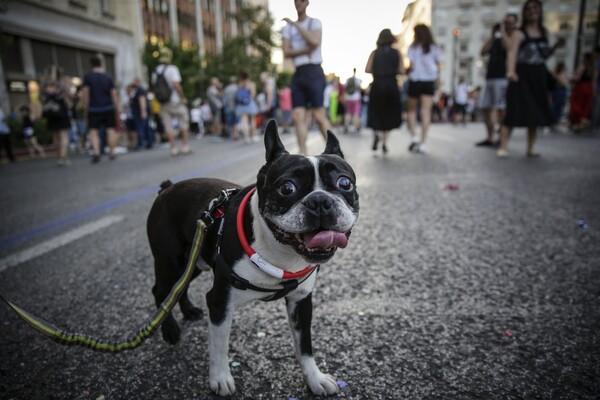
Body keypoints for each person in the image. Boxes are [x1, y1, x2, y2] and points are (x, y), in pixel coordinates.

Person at [497, 0, 565, 158]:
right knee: (513, 111)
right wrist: (511, 71)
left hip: (538, 74)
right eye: (529, 9)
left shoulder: (544, 33)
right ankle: (504, 146)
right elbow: (512, 53)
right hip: (522, 74)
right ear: (524, 13)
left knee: (535, 112)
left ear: (540, 11)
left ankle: (530, 147)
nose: (532, 11)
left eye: (535, 8)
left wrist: (556, 46)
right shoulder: (519, 33)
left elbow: (544, 55)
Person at [282, 0, 330, 155]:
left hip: (314, 71)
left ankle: (335, 151)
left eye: (301, 1)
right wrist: (307, 50)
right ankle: (303, 154)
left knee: (319, 115)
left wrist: (296, 25)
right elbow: (286, 52)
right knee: (298, 115)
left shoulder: (314, 23)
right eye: (296, 1)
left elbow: (314, 41)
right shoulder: (286, 29)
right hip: (299, 72)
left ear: (307, 3)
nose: (298, 4)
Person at [477, 13, 517, 147]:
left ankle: (502, 138)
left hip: (503, 77)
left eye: (509, 23)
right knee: (485, 108)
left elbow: (510, 48)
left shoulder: (514, 37)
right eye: (504, 23)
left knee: (501, 109)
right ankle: (490, 137)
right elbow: (483, 51)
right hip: (490, 77)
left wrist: (503, 32)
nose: (505, 25)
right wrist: (494, 34)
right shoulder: (496, 39)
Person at [365, 28, 404, 154]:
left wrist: (379, 70)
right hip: (392, 85)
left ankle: (376, 134)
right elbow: (401, 70)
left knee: (375, 112)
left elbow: (367, 69)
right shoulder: (396, 53)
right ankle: (385, 142)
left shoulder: (374, 53)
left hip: (377, 84)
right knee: (388, 114)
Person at [406, 24, 442, 154]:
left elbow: (411, 65)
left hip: (415, 81)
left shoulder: (413, 47)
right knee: (426, 112)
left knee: (411, 110)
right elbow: (438, 66)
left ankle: (414, 137)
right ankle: (422, 143)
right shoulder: (434, 48)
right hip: (428, 82)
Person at [152, 47, 191, 155]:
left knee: (168, 125)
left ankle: (173, 148)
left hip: (163, 102)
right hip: (175, 101)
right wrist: (182, 97)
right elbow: (176, 85)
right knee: (183, 122)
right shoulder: (172, 69)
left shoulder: (156, 71)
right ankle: (185, 146)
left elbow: (154, 87)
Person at [81, 56, 120, 163]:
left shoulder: (88, 76)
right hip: (108, 107)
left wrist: (85, 106)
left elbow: (86, 92)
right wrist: (117, 107)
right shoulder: (108, 76)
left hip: (94, 108)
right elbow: (113, 93)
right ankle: (112, 151)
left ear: (91, 65)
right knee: (110, 130)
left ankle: (97, 152)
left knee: (94, 132)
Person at [42, 81, 71, 165]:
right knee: (63, 137)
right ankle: (63, 157)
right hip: (62, 117)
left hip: (51, 118)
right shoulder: (61, 96)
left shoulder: (45, 96)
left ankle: (59, 156)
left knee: (56, 137)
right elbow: (69, 105)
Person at [569, 52, 594, 133]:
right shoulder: (592, 67)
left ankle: (578, 124)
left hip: (581, 87)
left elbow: (577, 78)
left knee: (577, 104)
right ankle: (583, 121)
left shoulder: (582, 66)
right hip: (589, 87)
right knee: (585, 106)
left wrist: (572, 78)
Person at [235, 70, 259, 143]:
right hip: (250, 103)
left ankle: (246, 137)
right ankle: (253, 136)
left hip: (241, 104)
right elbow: (253, 94)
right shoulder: (251, 84)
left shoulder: (240, 84)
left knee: (244, 121)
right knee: (252, 120)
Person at [131, 78, 152, 148]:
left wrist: (143, 112)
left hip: (140, 113)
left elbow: (142, 101)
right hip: (140, 112)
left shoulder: (140, 90)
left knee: (141, 128)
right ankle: (148, 142)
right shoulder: (139, 90)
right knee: (145, 127)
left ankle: (142, 143)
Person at [550, 61, 569, 131]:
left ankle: (553, 120)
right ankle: (554, 120)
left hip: (558, 91)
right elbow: (564, 83)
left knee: (556, 106)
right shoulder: (561, 74)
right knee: (557, 106)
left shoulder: (557, 74)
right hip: (560, 91)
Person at [343, 68, 362, 133]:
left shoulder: (348, 80)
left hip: (348, 98)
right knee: (356, 113)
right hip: (356, 98)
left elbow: (345, 88)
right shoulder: (358, 80)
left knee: (348, 112)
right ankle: (356, 126)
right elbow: (359, 88)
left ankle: (346, 125)